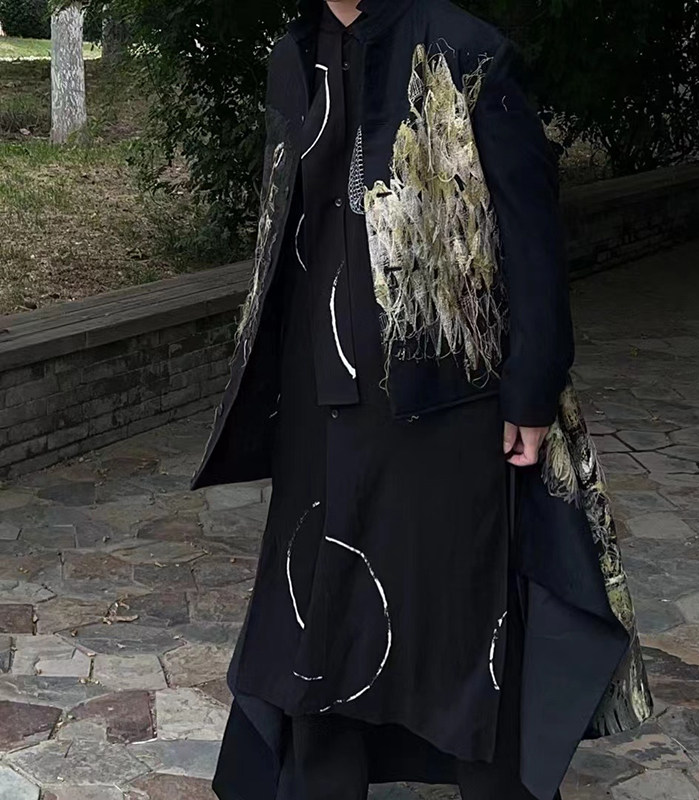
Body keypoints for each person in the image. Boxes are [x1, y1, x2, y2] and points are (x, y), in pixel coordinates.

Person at [189, 0, 654, 798]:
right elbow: (288, 233)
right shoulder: (292, 59)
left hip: (444, 412)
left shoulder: (467, 52)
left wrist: (532, 390)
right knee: (320, 616)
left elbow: (532, 236)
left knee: (459, 626)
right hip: (318, 409)